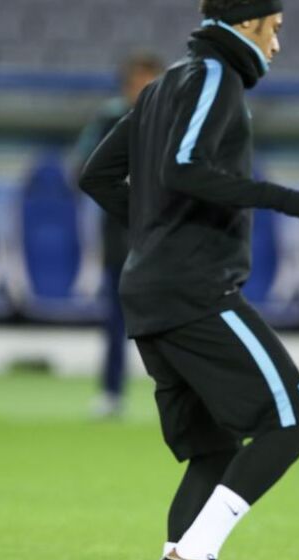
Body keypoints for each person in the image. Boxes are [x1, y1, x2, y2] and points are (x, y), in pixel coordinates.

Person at [79, 1, 299, 560]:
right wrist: (287, 200)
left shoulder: (164, 85)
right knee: (294, 420)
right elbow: (185, 167)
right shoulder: (217, 76)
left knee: (214, 451)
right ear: (247, 23)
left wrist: (154, 230)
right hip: (193, 291)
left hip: (148, 294)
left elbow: (96, 175)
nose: (277, 45)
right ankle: (195, 557)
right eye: (274, 29)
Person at [74, 53, 165, 419]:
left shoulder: (176, 117)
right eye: (137, 82)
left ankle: (184, 395)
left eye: (149, 82)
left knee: (175, 320)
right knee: (116, 319)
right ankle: (112, 392)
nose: (142, 89)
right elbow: (83, 170)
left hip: (167, 238)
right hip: (121, 236)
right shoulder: (110, 119)